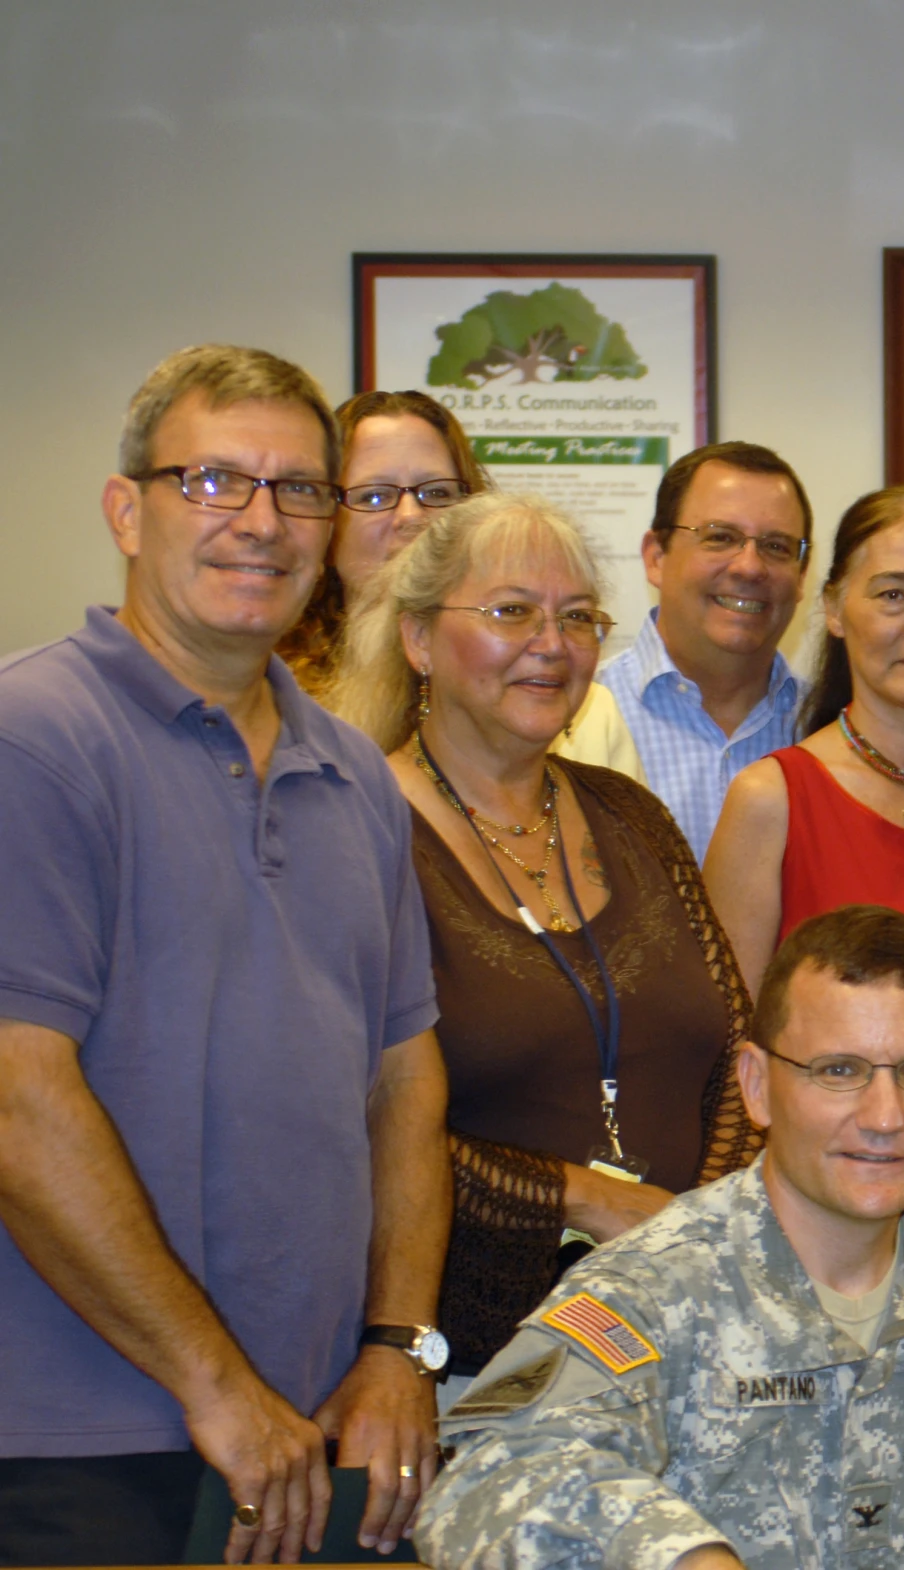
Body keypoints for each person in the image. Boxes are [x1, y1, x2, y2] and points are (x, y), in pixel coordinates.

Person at [0, 346, 450, 1565]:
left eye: (300, 489)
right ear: (124, 509)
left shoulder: (355, 773)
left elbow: (405, 1082)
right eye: (212, 481)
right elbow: (20, 1099)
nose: (261, 522)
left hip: (323, 1439)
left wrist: (394, 1346)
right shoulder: (34, 740)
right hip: (85, 1451)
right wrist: (215, 1385)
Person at [415, 905, 904, 1570]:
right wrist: (683, 1555)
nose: (885, 1115)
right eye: (838, 1071)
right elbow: (486, 1478)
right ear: (757, 1085)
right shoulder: (653, 1291)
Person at [328, 492, 760, 1388]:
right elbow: (347, 1113)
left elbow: (732, 1046)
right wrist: (584, 1196)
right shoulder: (353, 831)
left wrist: (686, 1229)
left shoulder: (631, 817)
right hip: (453, 1361)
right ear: (417, 641)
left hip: (674, 1335)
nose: (551, 643)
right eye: (510, 611)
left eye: (576, 618)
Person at [705, 486, 904, 1245]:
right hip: (833, 1214)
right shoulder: (770, 801)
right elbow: (727, 1063)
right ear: (836, 609)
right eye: (892, 595)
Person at [274, 390, 637, 775]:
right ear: (325, 522)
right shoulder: (275, 704)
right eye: (375, 495)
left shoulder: (581, 710)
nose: (412, 516)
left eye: (437, 493)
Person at [597, 440, 813, 858]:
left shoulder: (828, 725)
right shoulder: (575, 717)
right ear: (656, 557)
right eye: (720, 537)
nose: (749, 566)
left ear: (802, 574)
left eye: (776, 546)